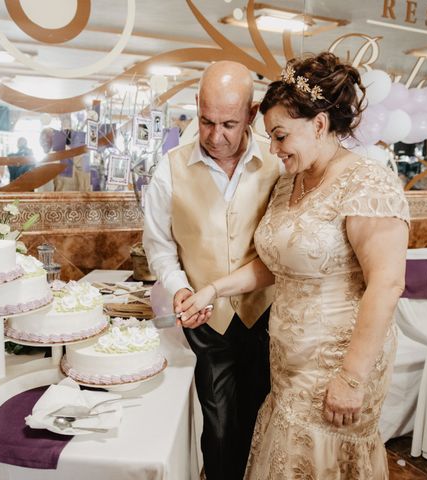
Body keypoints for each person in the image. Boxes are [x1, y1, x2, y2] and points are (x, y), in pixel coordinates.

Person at [179, 52, 410, 478]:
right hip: (288, 363)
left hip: (338, 364)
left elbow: (387, 284)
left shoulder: (368, 184)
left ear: (319, 125)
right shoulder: (290, 182)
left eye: (281, 136)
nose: (274, 149)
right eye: (270, 137)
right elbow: (278, 265)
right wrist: (215, 289)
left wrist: (352, 378)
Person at [142, 61, 281, 480]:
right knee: (218, 426)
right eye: (206, 121)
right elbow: (160, 247)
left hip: (266, 316)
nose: (215, 136)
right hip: (205, 318)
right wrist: (180, 288)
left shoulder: (279, 165)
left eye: (228, 124)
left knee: (261, 418)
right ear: (196, 108)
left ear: (251, 116)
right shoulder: (169, 169)